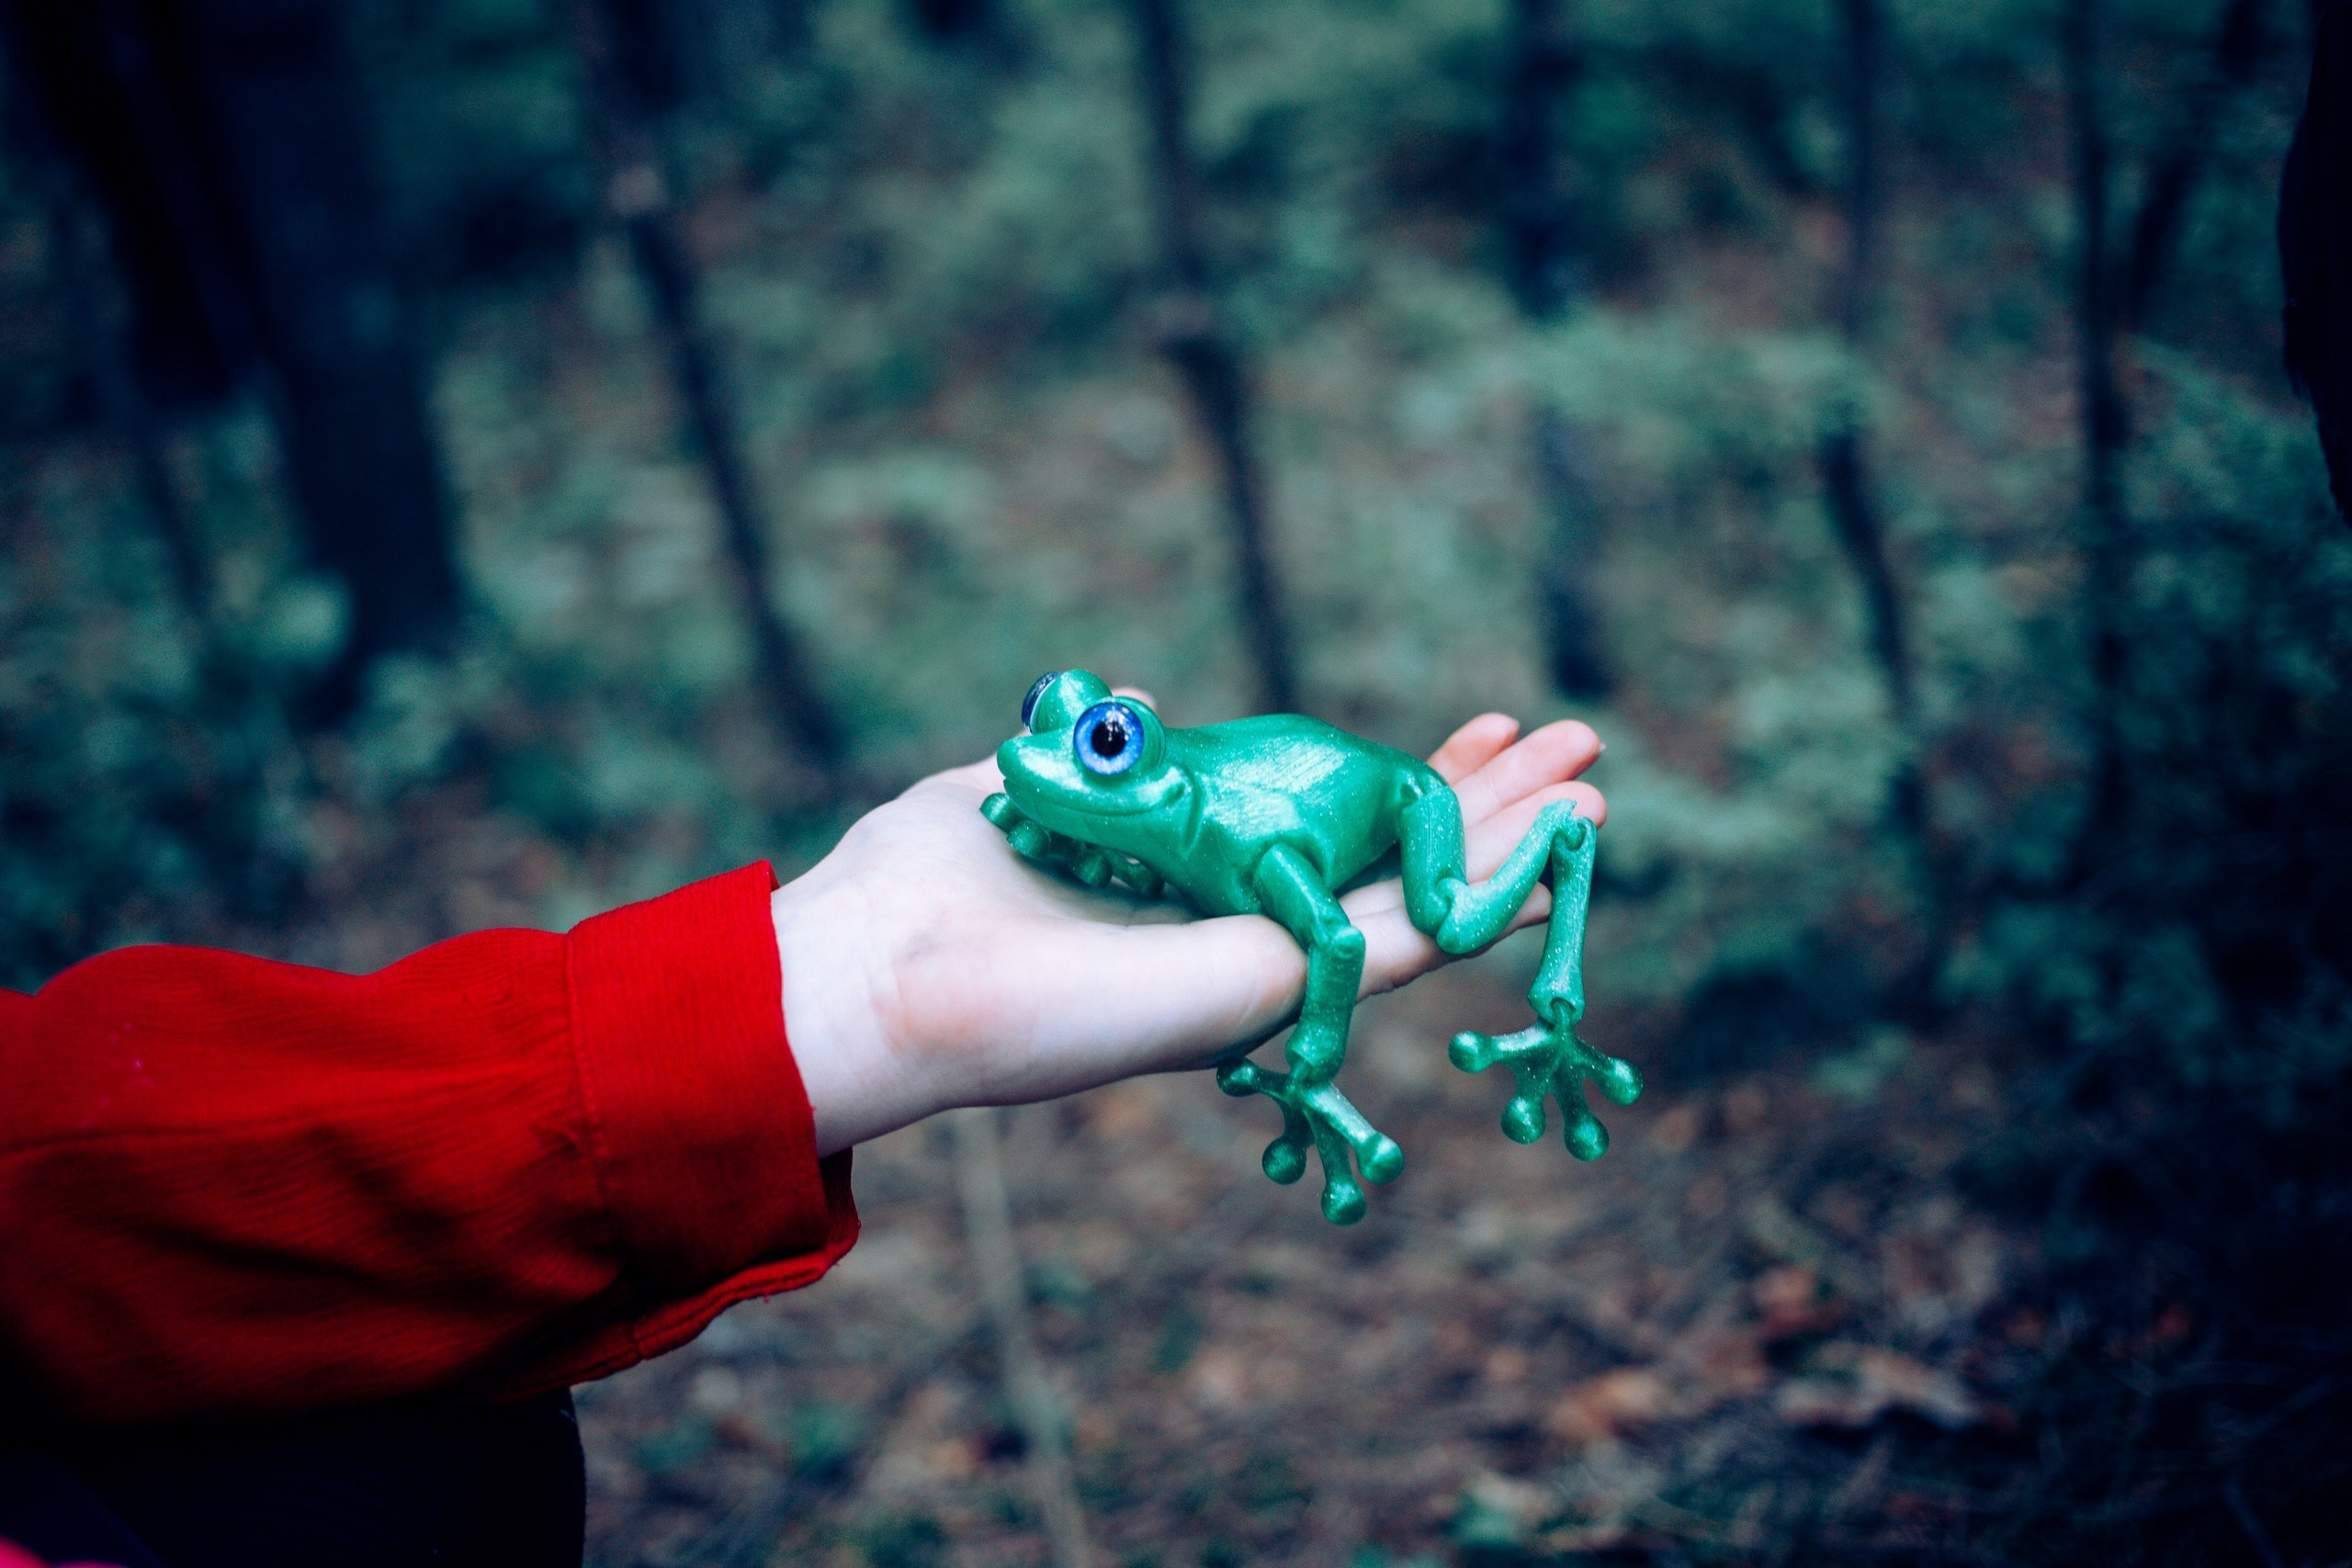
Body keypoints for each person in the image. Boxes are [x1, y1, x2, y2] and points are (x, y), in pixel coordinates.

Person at [0, 701, 1604, 1567]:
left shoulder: (1233, 835)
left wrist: (1309, 1049)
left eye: (1099, 748)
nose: (1050, 774)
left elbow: (1328, 942)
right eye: (1053, 740)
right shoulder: (1128, 807)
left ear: (1150, 769)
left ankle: (1567, 961)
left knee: (1459, 895)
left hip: (1344, 805)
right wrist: (850, 987)